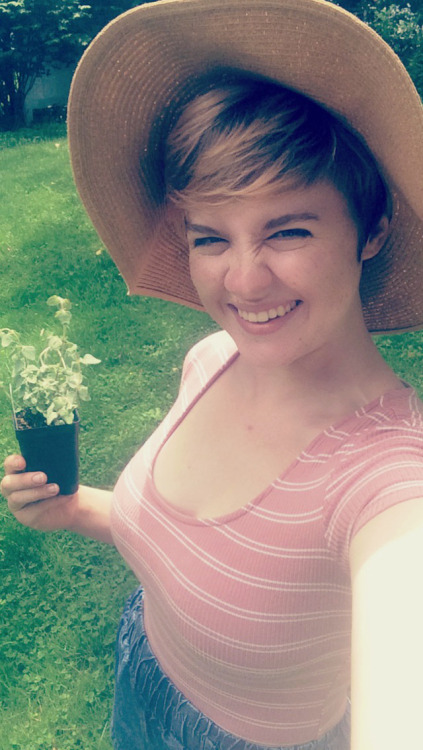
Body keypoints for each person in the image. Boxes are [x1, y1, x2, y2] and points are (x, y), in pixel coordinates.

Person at [2, 0, 423, 748]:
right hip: (144, 678)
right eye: (209, 237)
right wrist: (75, 510)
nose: (243, 281)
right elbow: (203, 554)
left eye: (287, 229)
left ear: (372, 226)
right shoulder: (210, 359)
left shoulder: (389, 480)